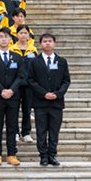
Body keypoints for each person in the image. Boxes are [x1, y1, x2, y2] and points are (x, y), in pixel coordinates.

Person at [28, 33, 71, 166]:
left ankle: (52, 155)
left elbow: (66, 80)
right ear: (40, 44)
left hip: (56, 102)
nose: (47, 43)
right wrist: (44, 93)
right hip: (40, 102)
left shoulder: (61, 61)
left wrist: (57, 94)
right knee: (41, 130)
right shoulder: (34, 61)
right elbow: (31, 80)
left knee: (54, 130)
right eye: (45, 41)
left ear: (54, 44)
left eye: (50, 41)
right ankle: (43, 156)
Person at [0, 28, 26, 166]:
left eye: (6, 36)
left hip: (14, 97)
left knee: (12, 126)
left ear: (10, 39)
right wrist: (2, 90)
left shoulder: (17, 57)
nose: (4, 39)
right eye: (1, 37)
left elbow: (20, 76)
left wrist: (11, 90)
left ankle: (12, 154)